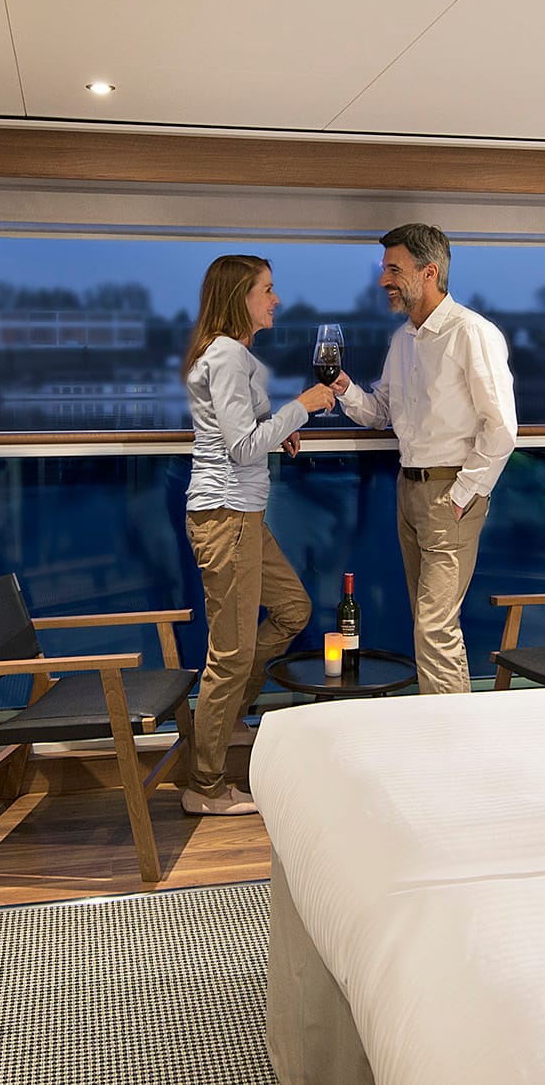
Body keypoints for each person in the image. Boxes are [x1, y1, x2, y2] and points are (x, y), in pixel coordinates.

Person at [332, 223, 517, 695]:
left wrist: (462, 494)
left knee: (435, 628)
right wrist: (343, 388)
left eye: (394, 269)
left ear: (429, 271)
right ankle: (439, 732)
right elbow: (381, 413)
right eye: (384, 269)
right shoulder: (404, 341)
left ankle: (455, 745)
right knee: (427, 622)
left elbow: (501, 427)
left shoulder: (471, 334)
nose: (383, 281)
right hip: (409, 491)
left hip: (448, 495)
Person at [181, 254, 336, 816]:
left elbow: (248, 436)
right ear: (239, 297)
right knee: (230, 653)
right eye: (267, 290)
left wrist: (282, 435)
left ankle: (226, 726)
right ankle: (204, 784)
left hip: (245, 517)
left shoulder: (235, 356)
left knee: (293, 609)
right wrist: (304, 406)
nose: (276, 300)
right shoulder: (225, 354)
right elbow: (241, 446)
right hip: (227, 518)